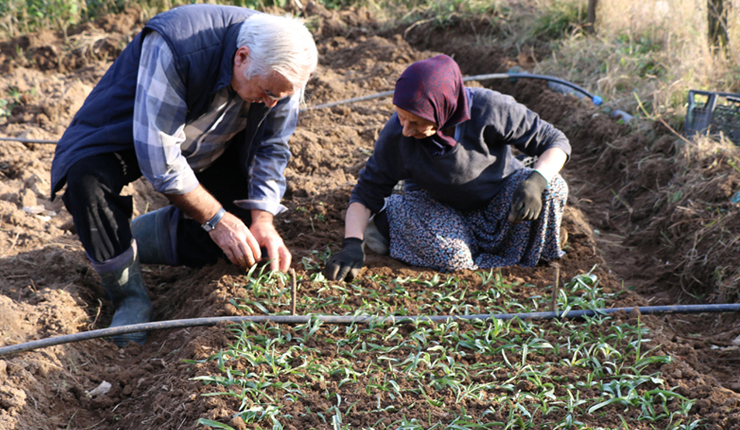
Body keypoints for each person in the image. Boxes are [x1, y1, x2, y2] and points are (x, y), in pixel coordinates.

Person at [49, 4, 318, 346]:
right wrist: (217, 220)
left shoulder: (280, 74)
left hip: (212, 146)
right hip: (132, 134)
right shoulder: (178, 43)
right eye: (266, 92)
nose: (270, 103)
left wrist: (262, 220)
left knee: (241, 243)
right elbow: (159, 159)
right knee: (86, 182)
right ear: (242, 57)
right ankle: (129, 296)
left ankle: (123, 241)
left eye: (278, 97)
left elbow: (271, 148)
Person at [323, 55, 570, 282]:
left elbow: (555, 141)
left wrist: (537, 179)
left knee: (552, 186)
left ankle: (510, 246)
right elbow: (367, 192)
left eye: (418, 122)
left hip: (498, 204)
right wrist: (352, 244)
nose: (406, 129)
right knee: (455, 260)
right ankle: (393, 224)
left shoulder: (488, 109)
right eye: (401, 117)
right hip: (437, 211)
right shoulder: (397, 135)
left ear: (444, 108)